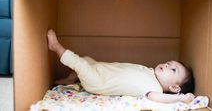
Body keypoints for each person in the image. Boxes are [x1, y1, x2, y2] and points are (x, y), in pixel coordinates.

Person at [47, 29, 195, 103]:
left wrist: (179, 99)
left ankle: (56, 47)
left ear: (175, 88)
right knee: (87, 60)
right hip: (100, 69)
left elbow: (158, 98)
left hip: (98, 82)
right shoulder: (150, 72)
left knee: (80, 63)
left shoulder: (154, 89)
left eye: (173, 69)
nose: (167, 65)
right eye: (169, 63)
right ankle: (71, 79)